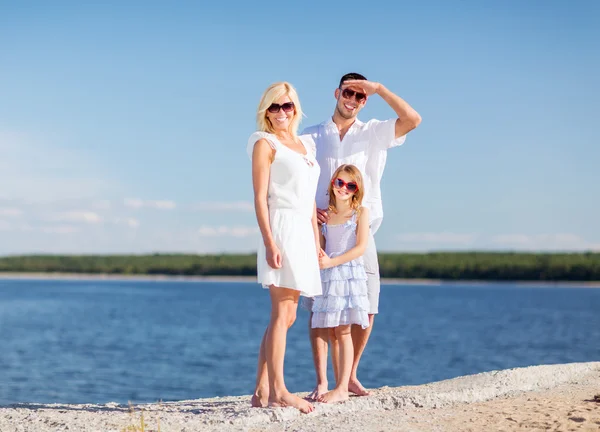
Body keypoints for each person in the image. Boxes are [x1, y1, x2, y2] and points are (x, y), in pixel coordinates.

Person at [302, 73, 421, 400]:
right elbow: (296, 177)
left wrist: (380, 89)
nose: (353, 99)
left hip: (362, 231)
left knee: (366, 306)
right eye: (348, 92)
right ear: (337, 93)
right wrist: (312, 210)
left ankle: (350, 376)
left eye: (360, 95)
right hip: (322, 233)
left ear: (365, 99)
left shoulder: (374, 132)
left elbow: (413, 119)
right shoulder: (312, 136)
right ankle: (323, 382)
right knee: (319, 308)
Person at [247, 82, 322, 414]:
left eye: (287, 106)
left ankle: (262, 386)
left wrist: (317, 243)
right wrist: (268, 241)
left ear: (296, 108)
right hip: (281, 228)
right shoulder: (265, 143)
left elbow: (308, 202)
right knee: (282, 312)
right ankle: (279, 391)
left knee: (288, 315)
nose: (281, 112)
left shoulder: (305, 145)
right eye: (273, 107)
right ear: (266, 111)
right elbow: (261, 198)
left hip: (304, 233)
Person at [311, 164, 370, 404]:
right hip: (327, 275)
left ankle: (343, 388)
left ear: (357, 190)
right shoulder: (326, 214)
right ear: (332, 183)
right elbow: (320, 245)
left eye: (350, 185)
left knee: (344, 329)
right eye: (339, 182)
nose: (343, 188)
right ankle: (328, 383)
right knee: (328, 329)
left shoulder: (360, 212)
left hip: (347, 273)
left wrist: (333, 261)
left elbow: (361, 247)